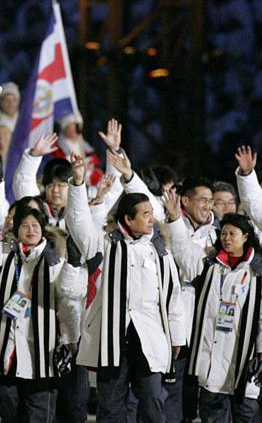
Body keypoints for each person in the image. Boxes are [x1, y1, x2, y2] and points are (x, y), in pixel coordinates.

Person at [66, 153, 186, 423]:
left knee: (153, 402)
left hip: (150, 338)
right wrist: (77, 182)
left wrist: (177, 336)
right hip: (112, 339)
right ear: (128, 220)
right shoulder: (105, 244)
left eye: (152, 214)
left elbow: (173, 296)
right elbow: (78, 223)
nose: (151, 219)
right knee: (110, 406)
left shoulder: (158, 250)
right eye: (145, 215)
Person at [0, 182, 83, 423]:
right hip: (7, 348)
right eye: (25, 225)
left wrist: (71, 338)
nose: (31, 230)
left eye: (35, 225)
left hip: (42, 351)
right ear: (16, 229)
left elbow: (69, 296)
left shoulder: (55, 261)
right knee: (8, 405)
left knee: (38, 413)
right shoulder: (4, 257)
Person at [165, 194, 261, 422]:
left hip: (245, 360)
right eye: (224, 233)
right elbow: (184, 251)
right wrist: (175, 217)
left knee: (246, 414)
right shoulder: (211, 265)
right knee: (212, 415)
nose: (226, 238)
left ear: (246, 237)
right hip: (212, 362)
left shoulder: (256, 271)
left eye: (232, 234)